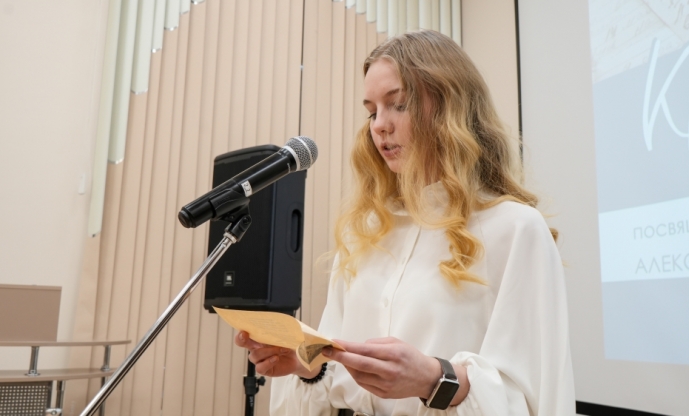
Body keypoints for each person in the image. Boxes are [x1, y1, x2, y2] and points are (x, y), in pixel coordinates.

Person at [235, 30, 575, 415]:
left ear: (451, 107)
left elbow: (534, 398)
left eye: (398, 104)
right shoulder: (365, 231)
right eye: (372, 111)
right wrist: (310, 367)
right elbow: (339, 371)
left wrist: (435, 380)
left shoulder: (516, 230)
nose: (379, 125)